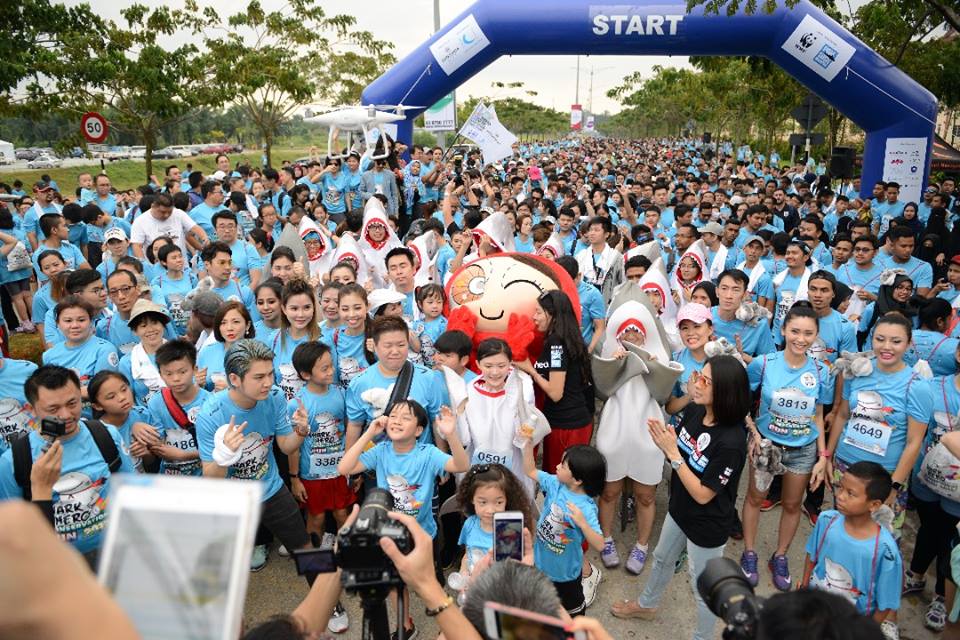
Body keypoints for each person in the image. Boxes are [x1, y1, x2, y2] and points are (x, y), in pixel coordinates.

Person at [611, 355, 750, 640]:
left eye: (705, 381)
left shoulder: (732, 442)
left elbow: (702, 494)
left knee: (705, 589)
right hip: (679, 508)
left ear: (725, 392)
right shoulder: (697, 410)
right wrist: (666, 442)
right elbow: (681, 454)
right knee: (661, 557)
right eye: (699, 375)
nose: (696, 383)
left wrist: (672, 453)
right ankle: (647, 605)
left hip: (707, 524)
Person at [339, 400, 468, 639]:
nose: (397, 420)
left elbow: (461, 465)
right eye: (393, 415)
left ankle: (444, 621)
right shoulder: (381, 451)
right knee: (395, 582)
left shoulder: (427, 453)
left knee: (430, 581)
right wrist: (369, 431)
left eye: (406, 417)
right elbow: (344, 467)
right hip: (388, 534)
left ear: (419, 430)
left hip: (422, 534)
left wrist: (451, 436)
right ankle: (406, 624)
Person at [195, 339, 316, 584]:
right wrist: (225, 454)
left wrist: (301, 432)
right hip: (232, 501)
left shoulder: (275, 397)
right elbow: (210, 476)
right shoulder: (210, 414)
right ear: (235, 379)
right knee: (225, 569)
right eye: (259, 377)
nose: (269, 382)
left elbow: (284, 445)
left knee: (305, 548)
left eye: (271, 374)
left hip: (271, 489)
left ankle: (331, 603)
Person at [0, 366, 136, 565]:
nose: (66, 415)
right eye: (53, 409)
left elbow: (130, 489)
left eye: (72, 403)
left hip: (114, 551)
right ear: (31, 410)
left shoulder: (105, 435)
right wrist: (40, 489)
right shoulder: (14, 461)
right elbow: (16, 536)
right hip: (60, 567)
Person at [740, 304, 833, 591]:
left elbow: (818, 414)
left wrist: (822, 455)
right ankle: (749, 552)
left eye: (808, 333)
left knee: (792, 504)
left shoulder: (821, 371)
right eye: (795, 331)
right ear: (783, 330)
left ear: (816, 335)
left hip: (803, 448)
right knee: (756, 498)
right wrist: (753, 433)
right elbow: (743, 402)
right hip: (767, 445)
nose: (800, 339)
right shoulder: (763, 363)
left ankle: (779, 556)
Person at [827, 312, 933, 541]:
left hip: (885, 476)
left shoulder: (917, 386)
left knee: (876, 540)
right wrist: (827, 456)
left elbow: (915, 442)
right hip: (846, 465)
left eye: (896, 341)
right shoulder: (857, 370)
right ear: (871, 339)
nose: (887, 347)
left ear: (908, 344)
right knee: (842, 530)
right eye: (880, 339)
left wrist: (894, 487)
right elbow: (843, 415)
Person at [800, 461, 902, 635]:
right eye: (841, 488)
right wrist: (803, 588)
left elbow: (886, 603)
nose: (840, 496)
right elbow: (812, 556)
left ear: (874, 505)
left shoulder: (886, 551)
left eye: (851, 493)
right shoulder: (826, 520)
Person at [514, 290, 593, 475]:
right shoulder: (564, 337)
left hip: (567, 426)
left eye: (539, 312)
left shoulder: (556, 343)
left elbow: (555, 393)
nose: (534, 317)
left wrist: (531, 369)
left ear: (553, 314)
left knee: (561, 482)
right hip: (570, 422)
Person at [522, 439, 605, 616]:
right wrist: (527, 445)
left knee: (572, 612)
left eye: (563, 465)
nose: (557, 466)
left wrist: (583, 523)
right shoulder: (555, 483)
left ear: (577, 480)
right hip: (540, 565)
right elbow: (530, 470)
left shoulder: (586, 508)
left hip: (565, 575)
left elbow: (600, 545)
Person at [455, 463, 535, 576]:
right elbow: (467, 554)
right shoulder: (469, 524)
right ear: (472, 499)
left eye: (498, 502)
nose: (490, 510)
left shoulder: (511, 530)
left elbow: (515, 568)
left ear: (507, 500)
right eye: (483, 502)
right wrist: (463, 572)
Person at [145, 339, 209, 476]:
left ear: (194, 369)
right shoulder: (156, 402)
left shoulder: (210, 402)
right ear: (160, 374)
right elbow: (157, 443)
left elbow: (219, 448)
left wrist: (184, 455)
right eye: (168, 374)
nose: (176, 378)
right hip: (170, 480)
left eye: (182, 372)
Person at [42, 296, 120, 398]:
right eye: (68, 321)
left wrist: (61, 394)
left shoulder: (104, 350)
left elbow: (103, 389)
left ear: (91, 321)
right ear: (58, 324)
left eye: (81, 320)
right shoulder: (50, 355)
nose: (74, 325)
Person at [270, 278, 323, 401]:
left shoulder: (323, 340)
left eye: (306, 307)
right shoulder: (274, 339)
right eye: (294, 309)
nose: (300, 314)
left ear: (314, 307)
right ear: (284, 309)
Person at [197, 301, 256, 391]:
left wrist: (232, 389)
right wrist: (199, 384)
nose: (229, 328)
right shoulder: (207, 352)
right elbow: (200, 390)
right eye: (223, 323)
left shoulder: (257, 353)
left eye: (235, 322)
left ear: (247, 325)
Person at [130, 193, 208, 259]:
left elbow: (195, 228)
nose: (166, 215)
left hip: (181, 264)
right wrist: (145, 265)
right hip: (156, 268)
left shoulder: (178, 213)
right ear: (153, 206)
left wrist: (205, 239)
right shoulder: (140, 221)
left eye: (169, 212)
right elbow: (137, 246)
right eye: (163, 212)